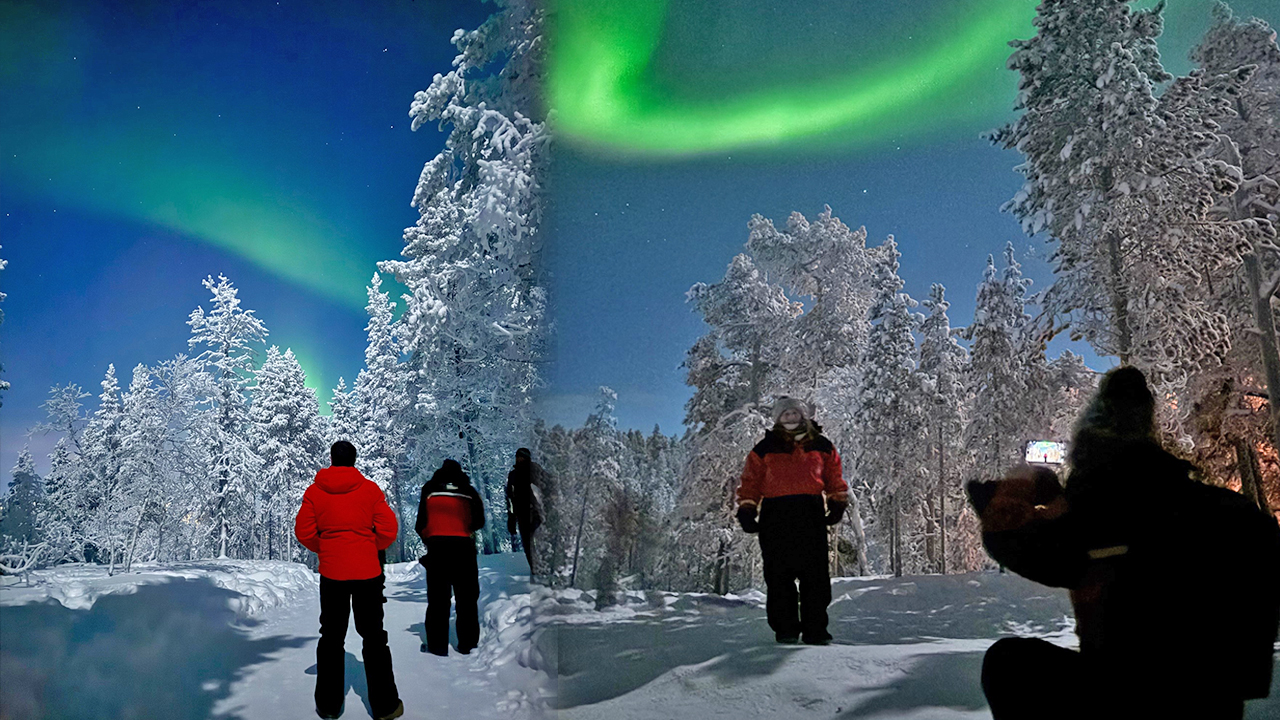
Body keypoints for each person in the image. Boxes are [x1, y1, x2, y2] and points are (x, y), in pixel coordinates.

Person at [973, 366, 1280, 720]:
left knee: (1009, 664)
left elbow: (1026, 547)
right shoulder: (1231, 513)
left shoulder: (1095, 514)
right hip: (1212, 705)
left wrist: (1008, 501)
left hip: (1120, 698)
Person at [295, 440, 404, 720]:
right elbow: (389, 530)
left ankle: (329, 706)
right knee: (374, 637)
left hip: (333, 574)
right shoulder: (369, 490)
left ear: (332, 459)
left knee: (331, 637)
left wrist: (327, 548)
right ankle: (386, 706)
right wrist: (369, 546)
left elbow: (304, 531)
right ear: (354, 460)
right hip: (368, 573)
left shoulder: (315, 492)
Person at [735, 396, 849, 645]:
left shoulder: (821, 445)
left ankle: (815, 630)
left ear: (803, 415)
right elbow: (751, 481)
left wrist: (838, 502)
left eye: (794, 413)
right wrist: (747, 508)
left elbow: (834, 476)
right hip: (776, 515)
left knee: (815, 576)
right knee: (779, 576)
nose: (790, 417)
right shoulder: (764, 448)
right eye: (785, 414)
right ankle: (785, 629)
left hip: (810, 513)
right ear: (777, 418)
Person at [414, 458, 485, 657]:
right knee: (467, 599)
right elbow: (479, 520)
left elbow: (420, 523)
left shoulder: (429, 489)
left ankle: (437, 647)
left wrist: (429, 538)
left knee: (438, 600)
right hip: (464, 549)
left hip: (437, 549)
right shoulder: (469, 491)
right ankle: (468, 645)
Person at [505, 447, 546, 578]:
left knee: (539, 541)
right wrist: (511, 517)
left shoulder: (535, 470)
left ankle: (545, 568)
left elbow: (548, 487)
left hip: (537, 513)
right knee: (528, 545)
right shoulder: (512, 475)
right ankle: (536, 571)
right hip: (522, 514)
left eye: (521, 456)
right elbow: (510, 498)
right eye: (517, 456)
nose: (519, 458)